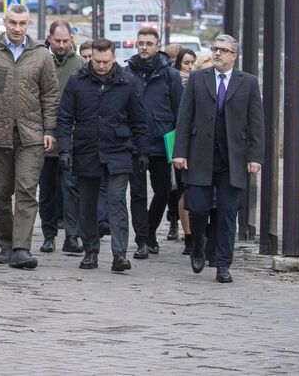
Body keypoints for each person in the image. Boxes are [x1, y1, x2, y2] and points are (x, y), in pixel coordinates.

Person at [0, 3, 59, 270]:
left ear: (29, 24)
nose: (17, 28)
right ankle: (6, 245)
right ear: (4, 22)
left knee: (27, 190)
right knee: (1, 193)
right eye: (13, 23)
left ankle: (21, 248)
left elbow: (50, 96)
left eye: (23, 24)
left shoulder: (41, 55)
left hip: (32, 135)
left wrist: (50, 130)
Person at [173, 34, 264, 283]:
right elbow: (185, 117)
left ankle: (223, 264)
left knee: (227, 212)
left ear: (234, 55)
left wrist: (255, 156)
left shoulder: (248, 83)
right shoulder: (198, 80)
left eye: (223, 50)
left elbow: (256, 123)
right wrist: (179, 151)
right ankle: (199, 245)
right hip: (200, 156)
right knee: (199, 207)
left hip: (232, 160)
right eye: (215, 49)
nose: (217, 54)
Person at [57, 38, 150, 272]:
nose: (100, 66)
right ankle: (91, 251)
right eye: (96, 61)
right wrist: (64, 150)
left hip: (119, 149)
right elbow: (65, 118)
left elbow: (139, 121)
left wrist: (142, 152)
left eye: (105, 62)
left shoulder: (127, 82)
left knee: (117, 200)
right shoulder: (77, 81)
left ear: (114, 57)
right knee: (87, 203)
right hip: (86, 148)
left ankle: (119, 253)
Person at [125, 26, 184, 259]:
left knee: (162, 191)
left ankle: (150, 230)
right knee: (137, 193)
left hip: (161, 142)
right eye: (141, 43)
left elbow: (180, 112)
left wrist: (178, 144)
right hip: (134, 143)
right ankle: (141, 240)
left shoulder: (171, 75)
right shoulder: (126, 72)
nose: (144, 47)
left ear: (157, 46)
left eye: (149, 43)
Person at [38, 21, 84, 255]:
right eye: (57, 41)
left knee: (71, 189)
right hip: (42, 136)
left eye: (66, 41)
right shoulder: (39, 60)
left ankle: (72, 236)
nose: (62, 45)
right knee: (46, 190)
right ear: (49, 38)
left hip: (71, 138)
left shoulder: (80, 65)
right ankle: (48, 235)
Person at [166, 48, 197, 240]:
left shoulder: (200, 81)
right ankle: (174, 220)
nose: (190, 67)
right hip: (174, 135)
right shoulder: (174, 81)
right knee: (175, 183)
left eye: (193, 62)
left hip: (194, 140)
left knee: (184, 185)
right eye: (186, 63)